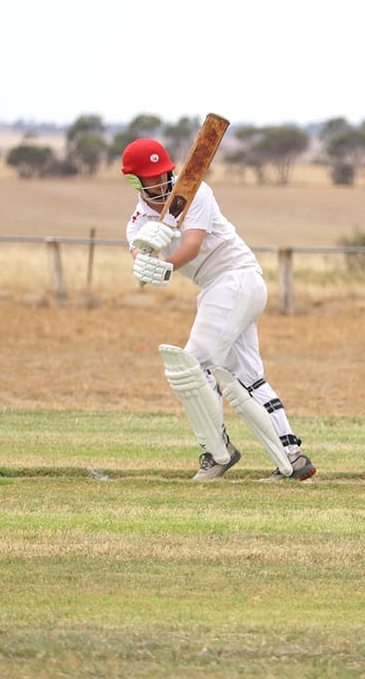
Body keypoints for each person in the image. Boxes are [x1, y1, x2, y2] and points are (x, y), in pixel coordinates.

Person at [121, 137, 317, 480]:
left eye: (165, 172)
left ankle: (218, 452)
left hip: (235, 278)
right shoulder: (137, 223)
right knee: (248, 377)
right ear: (136, 182)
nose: (163, 181)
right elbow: (139, 256)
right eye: (152, 177)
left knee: (191, 366)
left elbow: (193, 245)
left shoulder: (197, 192)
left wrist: (165, 266)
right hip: (222, 289)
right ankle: (293, 457)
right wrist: (143, 262)